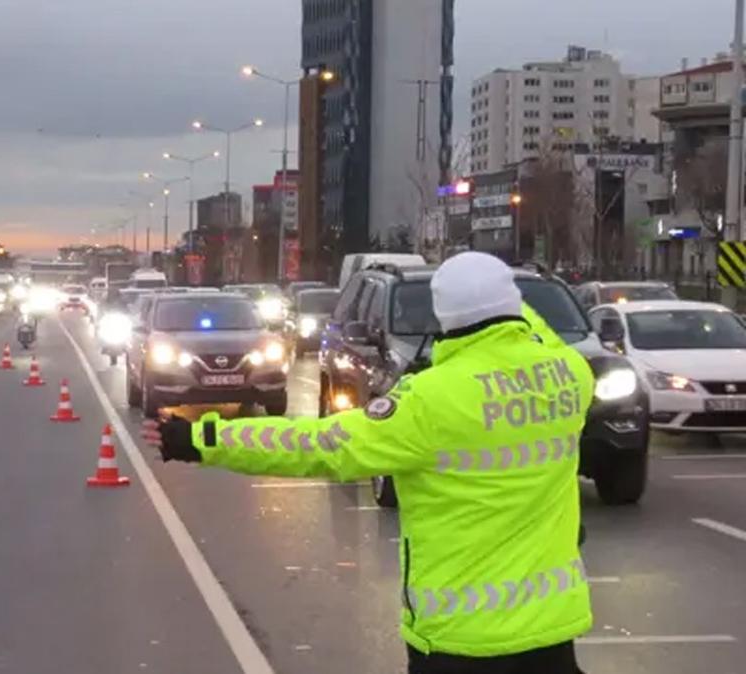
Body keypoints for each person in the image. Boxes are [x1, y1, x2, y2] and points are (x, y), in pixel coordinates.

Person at [142, 252, 593, 674]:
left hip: (461, 641)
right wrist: (514, 309)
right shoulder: (568, 376)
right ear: (515, 304)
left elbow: (320, 445)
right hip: (552, 632)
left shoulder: (431, 400)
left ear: (444, 314)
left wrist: (202, 437)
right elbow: (538, 336)